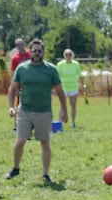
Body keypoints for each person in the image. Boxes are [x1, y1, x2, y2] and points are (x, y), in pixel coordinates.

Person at [6, 38, 67, 183]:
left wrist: (64, 109)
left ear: (43, 52)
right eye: (34, 51)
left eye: (40, 51)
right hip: (24, 110)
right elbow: (13, 88)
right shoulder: (22, 68)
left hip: (44, 112)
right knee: (20, 140)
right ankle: (15, 168)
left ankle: (46, 175)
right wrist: (10, 106)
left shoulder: (51, 69)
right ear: (30, 52)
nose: (37, 53)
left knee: (45, 142)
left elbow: (59, 91)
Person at [56, 48, 84, 128]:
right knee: (62, 105)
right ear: (64, 56)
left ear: (72, 55)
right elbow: (56, 76)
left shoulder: (76, 64)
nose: (68, 56)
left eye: (70, 54)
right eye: (66, 54)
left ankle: (73, 122)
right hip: (63, 88)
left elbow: (80, 75)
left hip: (73, 87)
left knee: (73, 105)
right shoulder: (60, 64)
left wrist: (83, 85)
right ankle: (60, 124)